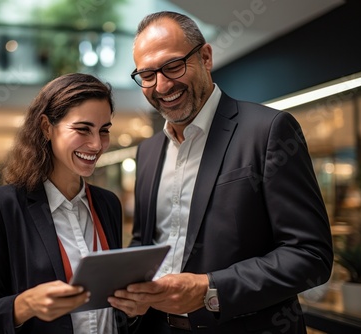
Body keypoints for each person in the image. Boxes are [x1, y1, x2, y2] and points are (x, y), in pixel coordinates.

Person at [108, 11, 333, 334]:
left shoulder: (269, 131)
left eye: (173, 66)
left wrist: (210, 289)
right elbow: (146, 242)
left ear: (206, 57)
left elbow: (311, 256)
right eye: (147, 74)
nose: (162, 85)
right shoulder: (148, 151)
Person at [0, 73, 128, 334]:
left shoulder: (108, 204)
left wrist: (131, 307)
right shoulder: (4, 205)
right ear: (46, 127)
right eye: (83, 129)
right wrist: (25, 304)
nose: (97, 144)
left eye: (104, 130)